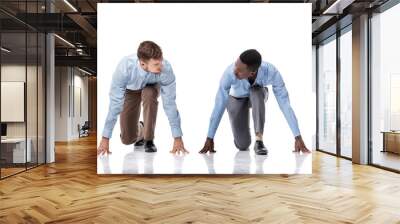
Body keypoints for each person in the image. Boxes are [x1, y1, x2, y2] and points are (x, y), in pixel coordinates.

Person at [200, 49, 310, 155]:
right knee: (242, 145)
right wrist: (210, 137)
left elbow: (285, 103)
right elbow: (219, 104)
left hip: (258, 95)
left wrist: (297, 136)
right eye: (235, 66)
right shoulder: (229, 74)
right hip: (236, 98)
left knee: (256, 91)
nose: (235, 71)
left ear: (252, 73)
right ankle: (243, 136)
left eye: (239, 70)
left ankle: (259, 140)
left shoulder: (271, 72)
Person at [97, 41, 188, 156]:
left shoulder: (166, 68)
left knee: (149, 94)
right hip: (131, 90)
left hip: (152, 87)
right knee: (127, 140)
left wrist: (177, 137)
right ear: (143, 64)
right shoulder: (125, 67)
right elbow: (115, 104)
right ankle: (141, 129)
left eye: (160, 61)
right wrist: (105, 139)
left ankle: (149, 140)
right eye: (156, 64)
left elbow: (170, 103)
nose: (160, 66)